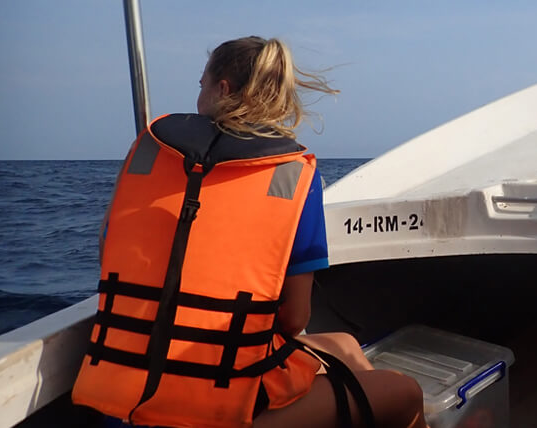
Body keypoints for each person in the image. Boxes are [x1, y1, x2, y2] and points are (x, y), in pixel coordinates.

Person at [72, 36, 427, 428]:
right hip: (218, 412)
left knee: (342, 345)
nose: (199, 93)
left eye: (201, 84)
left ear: (222, 88)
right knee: (405, 392)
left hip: (121, 399)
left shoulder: (146, 155)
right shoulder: (290, 175)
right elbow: (294, 319)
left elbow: (111, 254)